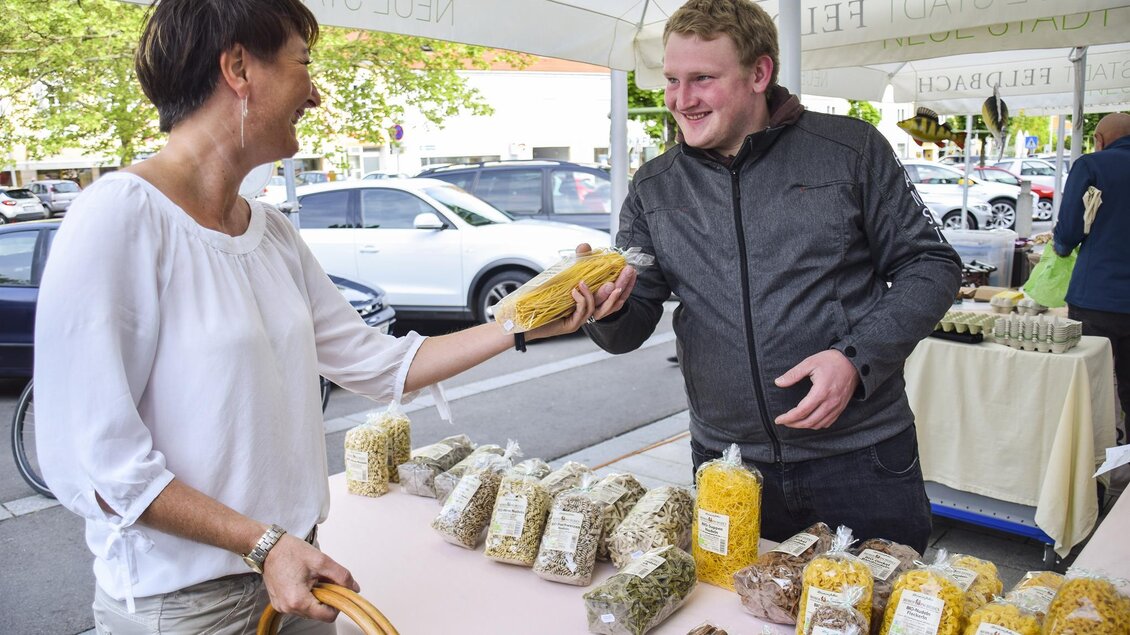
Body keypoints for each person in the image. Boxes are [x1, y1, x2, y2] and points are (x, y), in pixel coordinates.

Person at [33, 1, 622, 632]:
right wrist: (260, 543)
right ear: (238, 68)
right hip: (188, 609)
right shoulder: (119, 218)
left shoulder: (272, 233)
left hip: (297, 573)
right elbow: (99, 468)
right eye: (303, 64)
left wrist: (519, 323)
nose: (314, 93)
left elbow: (378, 363)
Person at [583, 0, 961, 554]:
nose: (680, 100)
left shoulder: (850, 150)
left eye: (703, 79)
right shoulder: (654, 185)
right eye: (671, 80)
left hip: (858, 457)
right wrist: (605, 306)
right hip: (727, 464)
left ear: (759, 74)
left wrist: (856, 357)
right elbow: (630, 326)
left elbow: (930, 265)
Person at [1054, 112, 1130, 440]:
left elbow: (1069, 231)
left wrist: (1060, 245)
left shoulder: (1092, 165)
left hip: (1097, 297)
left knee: (1089, 388)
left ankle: (1092, 473)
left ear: (1099, 139)